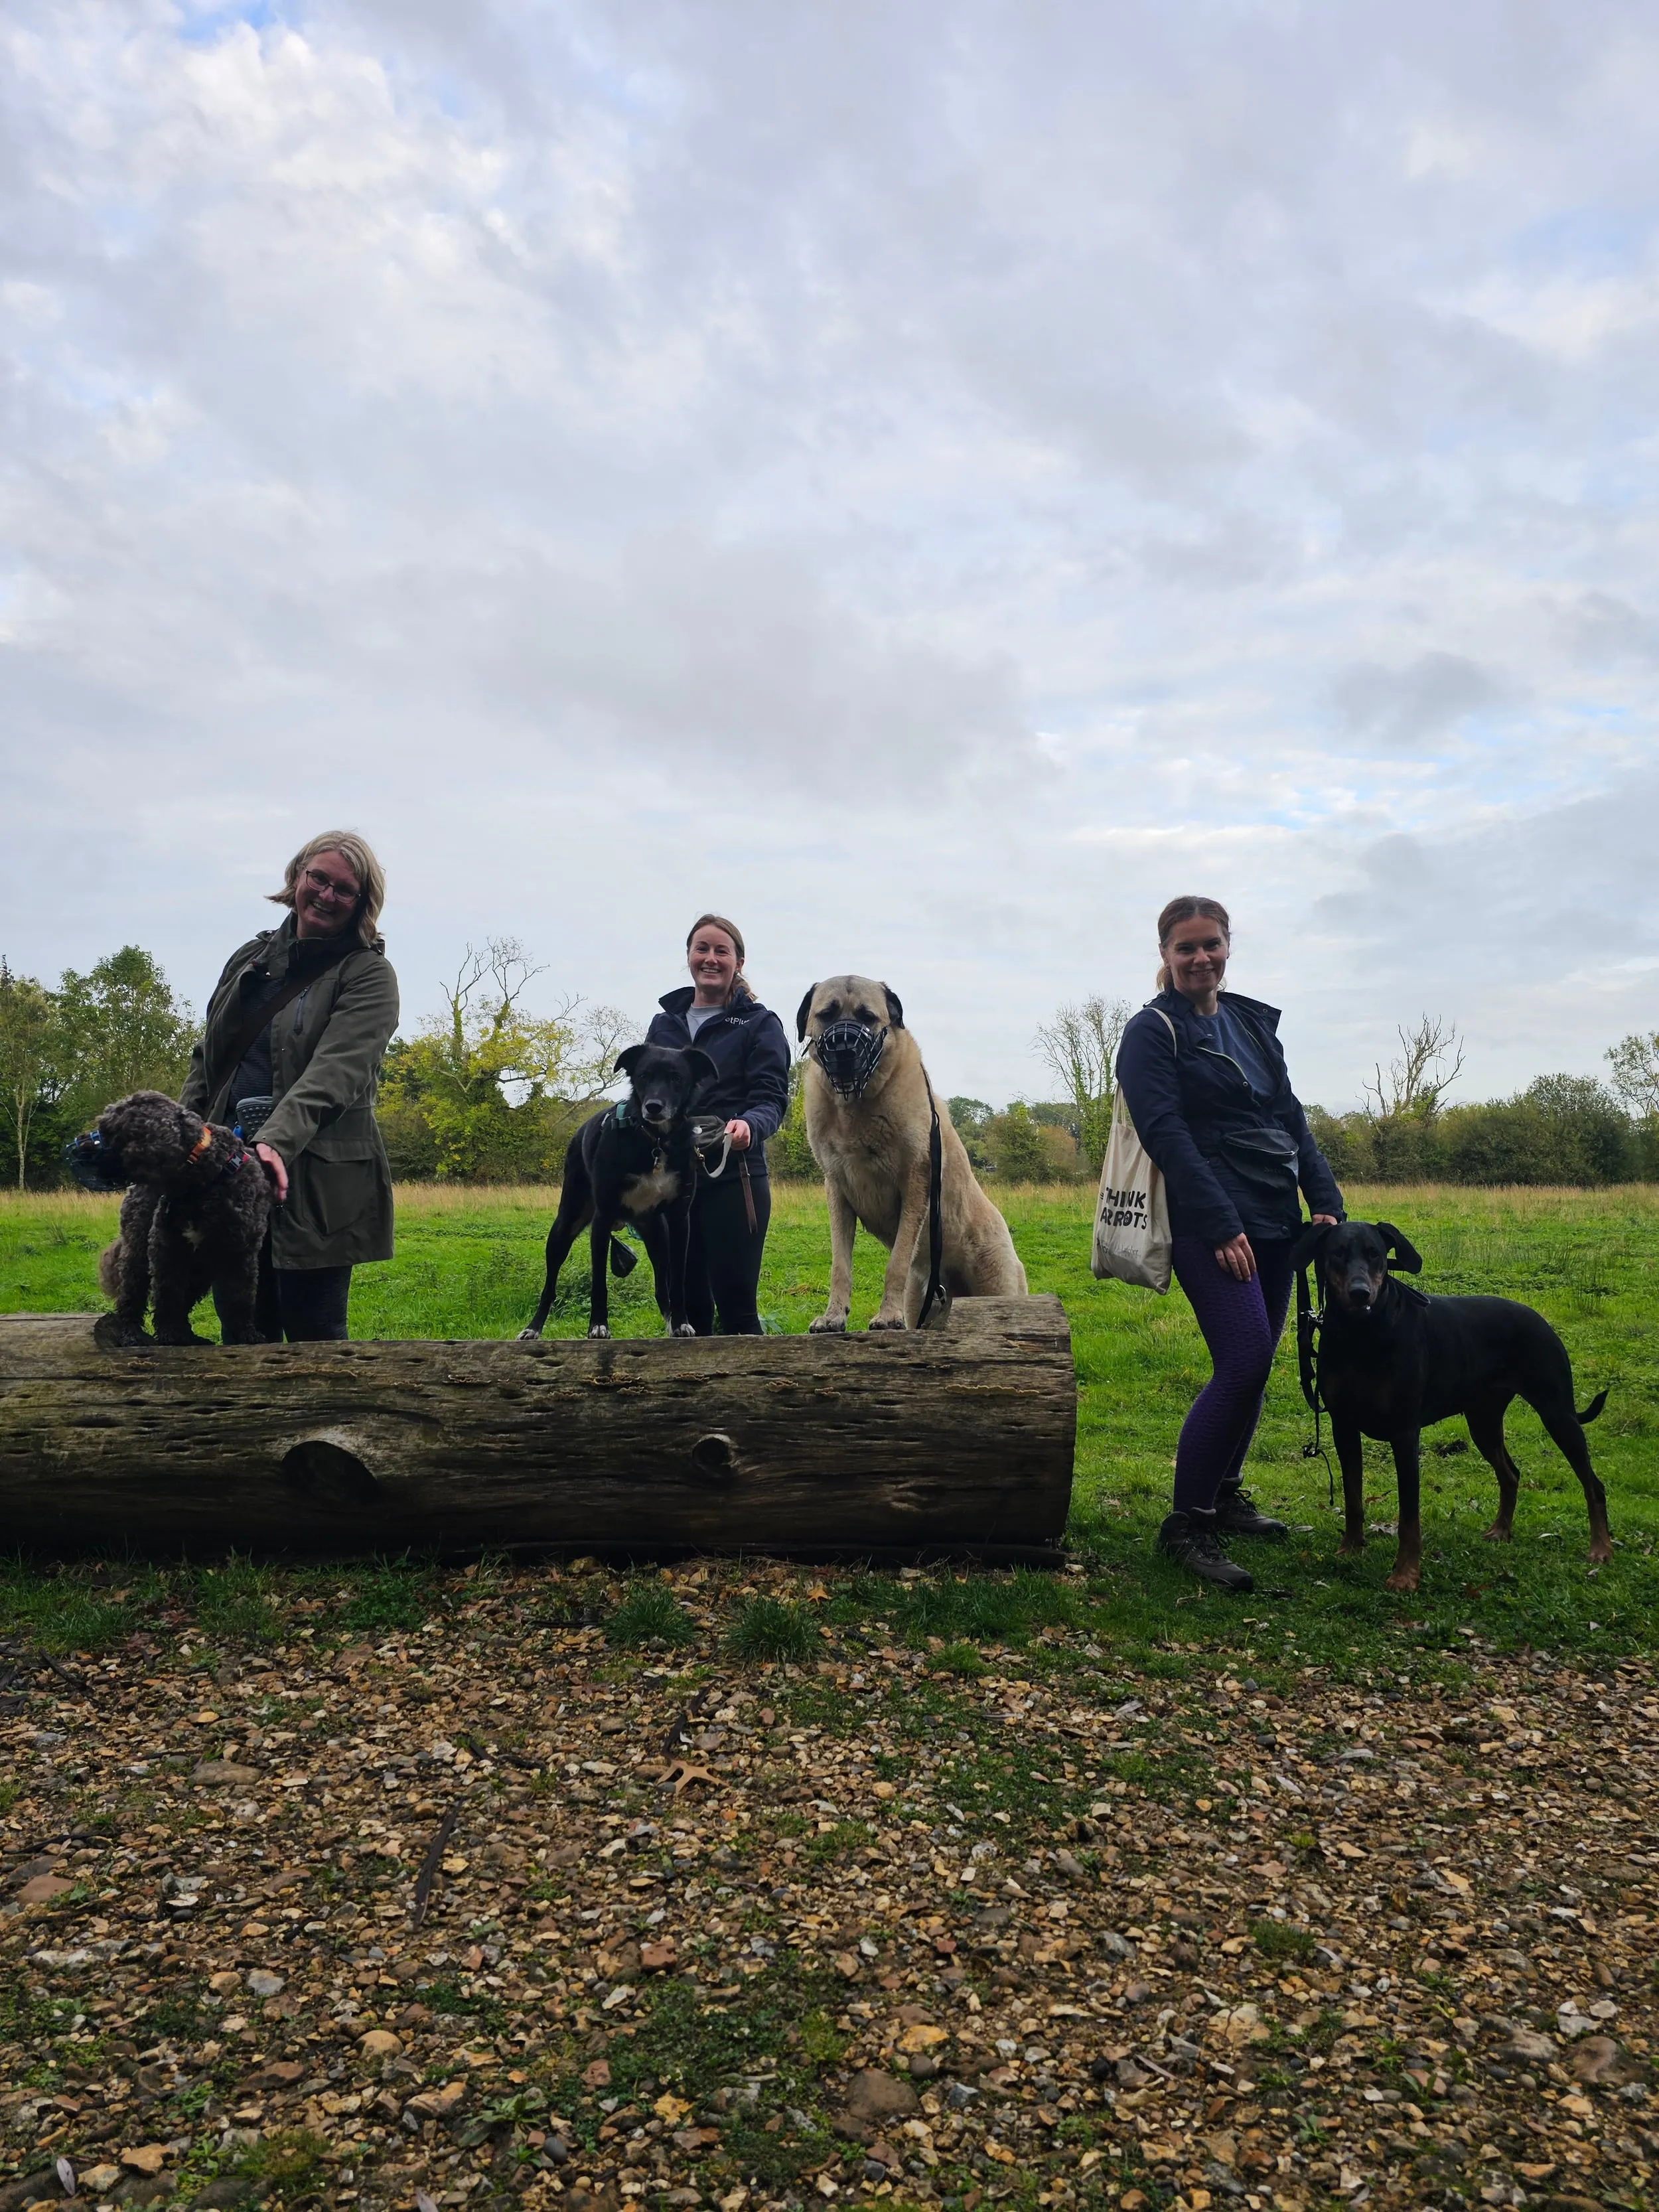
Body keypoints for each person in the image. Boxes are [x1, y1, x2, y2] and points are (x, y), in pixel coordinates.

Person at [1116, 895, 1342, 1592]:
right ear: (1164, 955)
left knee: (1260, 1361)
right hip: (1211, 1222)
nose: (1199, 958)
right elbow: (1166, 1133)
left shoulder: (1247, 1022)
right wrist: (1218, 1223)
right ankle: (1186, 1525)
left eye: (1210, 944)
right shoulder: (1151, 1033)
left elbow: (1289, 1114)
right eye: (1184, 948)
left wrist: (1324, 1198)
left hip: (1276, 1217)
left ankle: (1226, 1491)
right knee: (1241, 1362)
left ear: (1227, 946)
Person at [181, 832, 399, 1343]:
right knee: (243, 1329)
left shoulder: (368, 975)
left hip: (318, 1186)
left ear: (361, 904)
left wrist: (272, 1143)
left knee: (316, 1339)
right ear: (296, 877)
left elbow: (336, 1073)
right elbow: (207, 1058)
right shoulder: (249, 959)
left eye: (344, 889)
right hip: (229, 1175)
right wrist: (184, 1135)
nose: (326, 895)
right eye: (318, 878)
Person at [644, 914, 790, 1335]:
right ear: (689, 957)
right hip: (671, 1182)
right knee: (685, 1311)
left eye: (721, 951)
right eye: (702, 949)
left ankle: (752, 1397)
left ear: (738, 962)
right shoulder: (663, 1024)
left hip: (735, 1177)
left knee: (737, 1308)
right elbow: (648, 1097)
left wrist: (748, 1125)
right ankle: (692, 1399)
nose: (710, 958)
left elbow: (771, 1097)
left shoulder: (760, 1024)